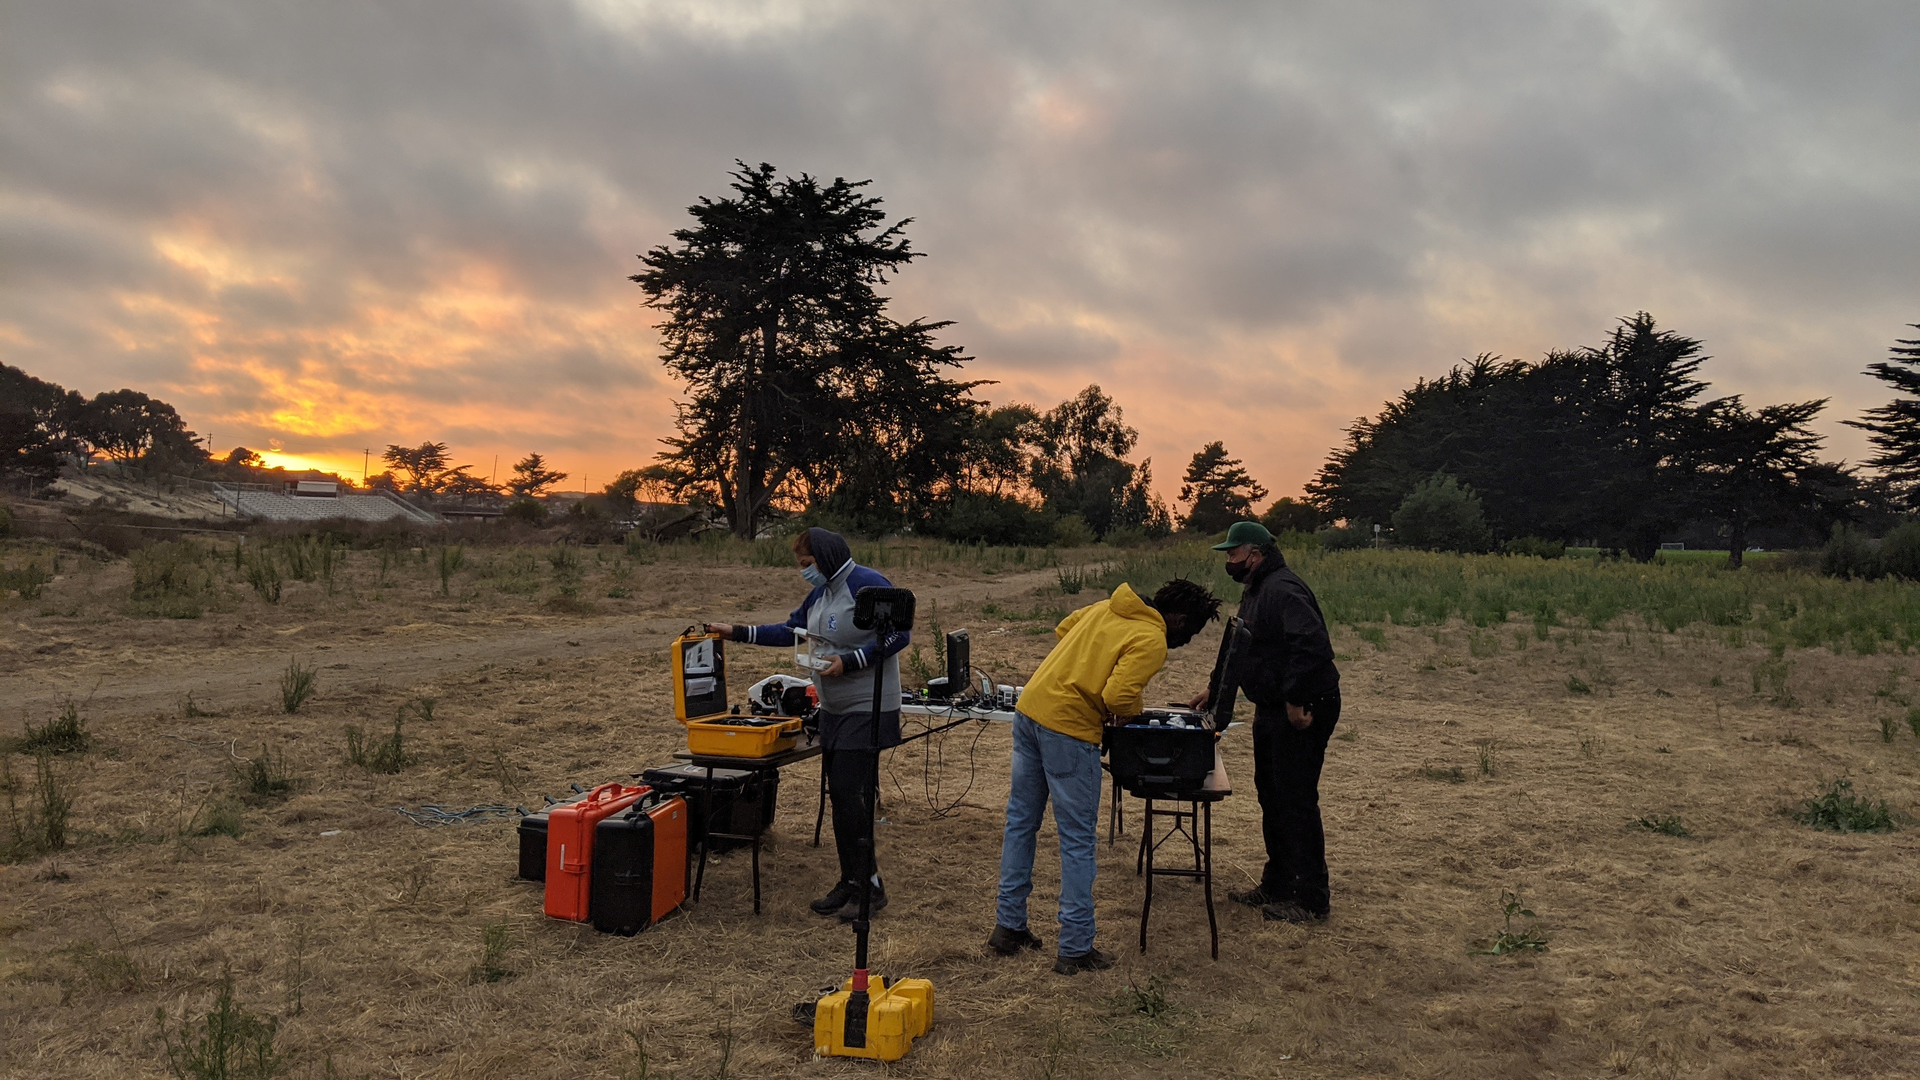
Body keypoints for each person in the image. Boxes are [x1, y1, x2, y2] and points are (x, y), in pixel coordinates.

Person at [989, 577, 1222, 975]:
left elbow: (1065, 628)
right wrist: (1129, 709)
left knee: (1021, 823)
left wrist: (1089, 664)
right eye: (1191, 632)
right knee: (1078, 840)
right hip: (1068, 728)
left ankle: (1008, 927)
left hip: (1031, 710)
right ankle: (1075, 947)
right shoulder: (1151, 637)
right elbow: (1118, 697)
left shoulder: (1108, 607)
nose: (1184, 641)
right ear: (1180, 620)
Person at [703, 527, 908, 921]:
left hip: (868, 705)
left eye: (807, 563)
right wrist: (736, 632)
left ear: (827, 557)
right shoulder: (821, 593)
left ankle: (870, 887)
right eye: (800, 565)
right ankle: (851, 880)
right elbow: (789, 631)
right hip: (832, 708)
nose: (804, 572)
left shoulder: (867, 584)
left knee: (849, 793)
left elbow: (899, 635)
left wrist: (851, 661)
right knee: (840, 797)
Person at [1189, 520, 1342, 923]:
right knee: (1271, 795)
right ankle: (1278, 884)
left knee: (1295, 798)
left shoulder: (1283, 590)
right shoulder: (1256, 590)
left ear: (1255, 555)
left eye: (1233, 553)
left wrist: (1295, 699)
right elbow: (1242, 647)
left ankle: (1311, 899)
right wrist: (1214, 688)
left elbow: (1311, 647)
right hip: (1274, 707)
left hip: (1305, 707)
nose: (1229, 560)